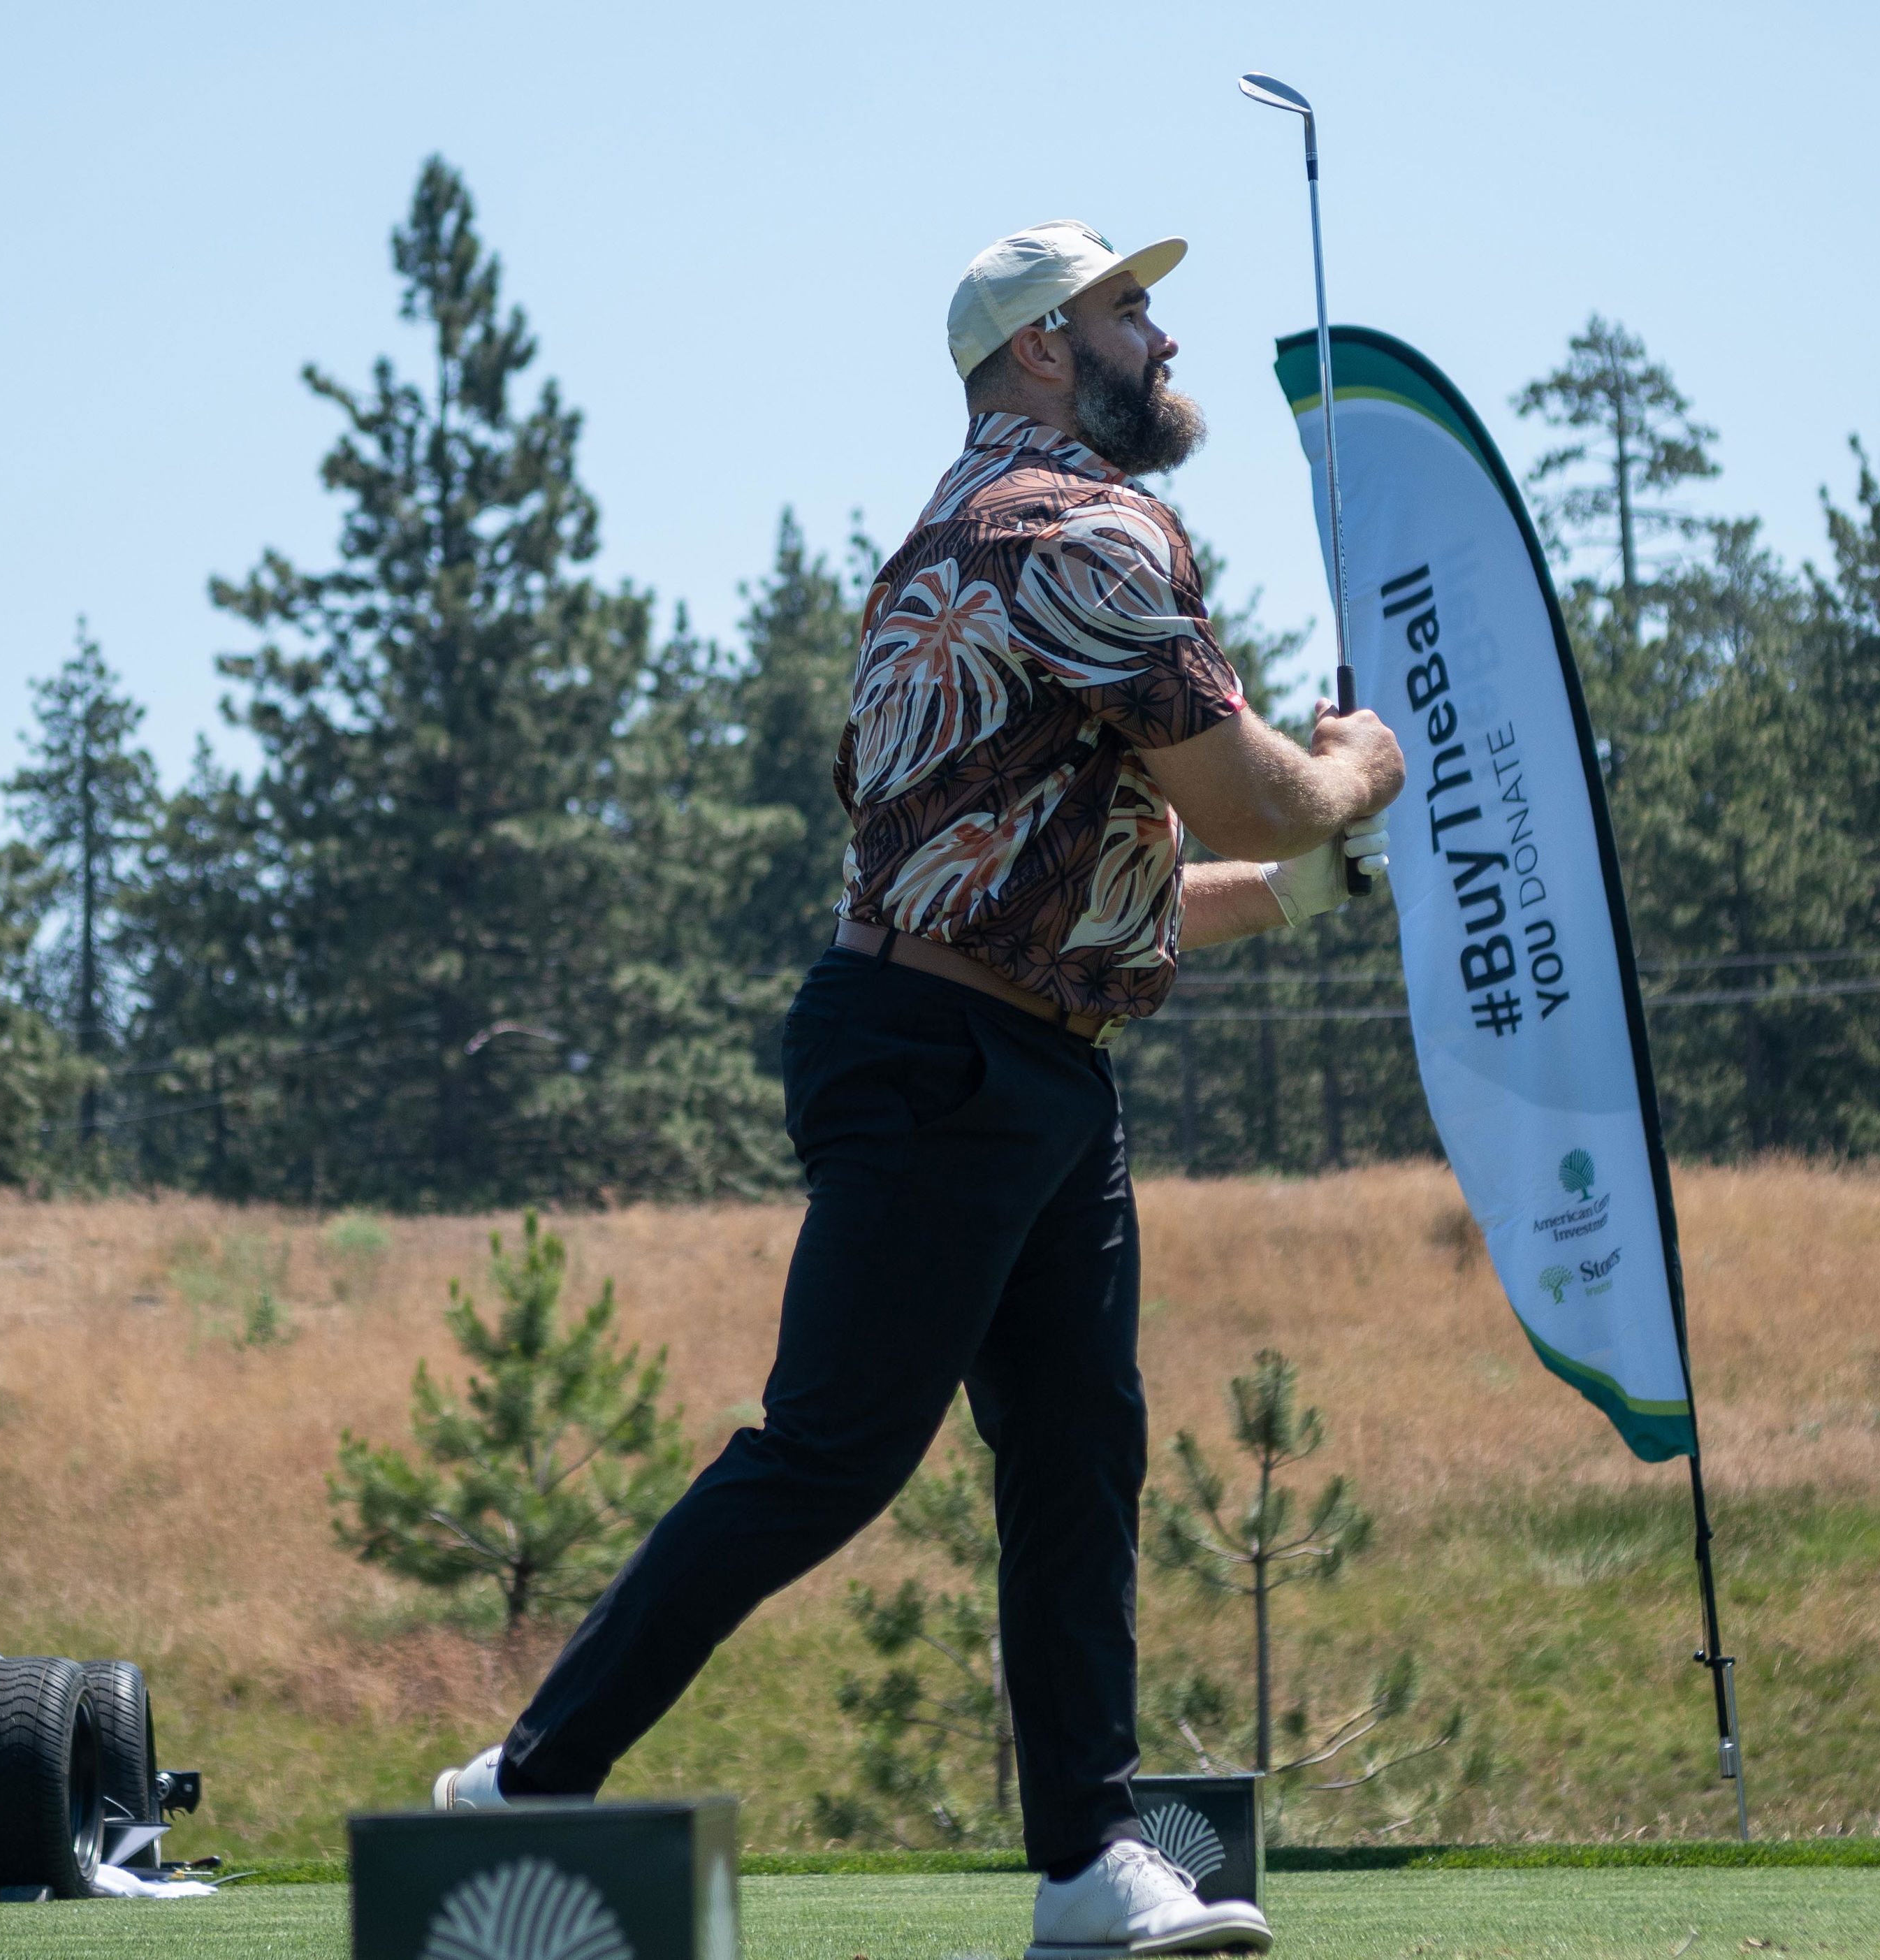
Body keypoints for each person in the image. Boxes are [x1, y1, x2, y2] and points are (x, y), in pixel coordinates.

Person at [430, 219, 1405, 1959]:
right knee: (832, 1450)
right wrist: (1348, 775)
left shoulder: (961, 543)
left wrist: (1298, 879)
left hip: (999, 1050)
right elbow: (1252, 800)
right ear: (1042, 349)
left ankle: (1088, 1867)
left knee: (1076, 1451)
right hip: (954, 1060)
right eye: (1128, 310)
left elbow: (1093, 891)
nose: (1159, 335)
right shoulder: (1078, 530)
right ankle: (528, 1776)